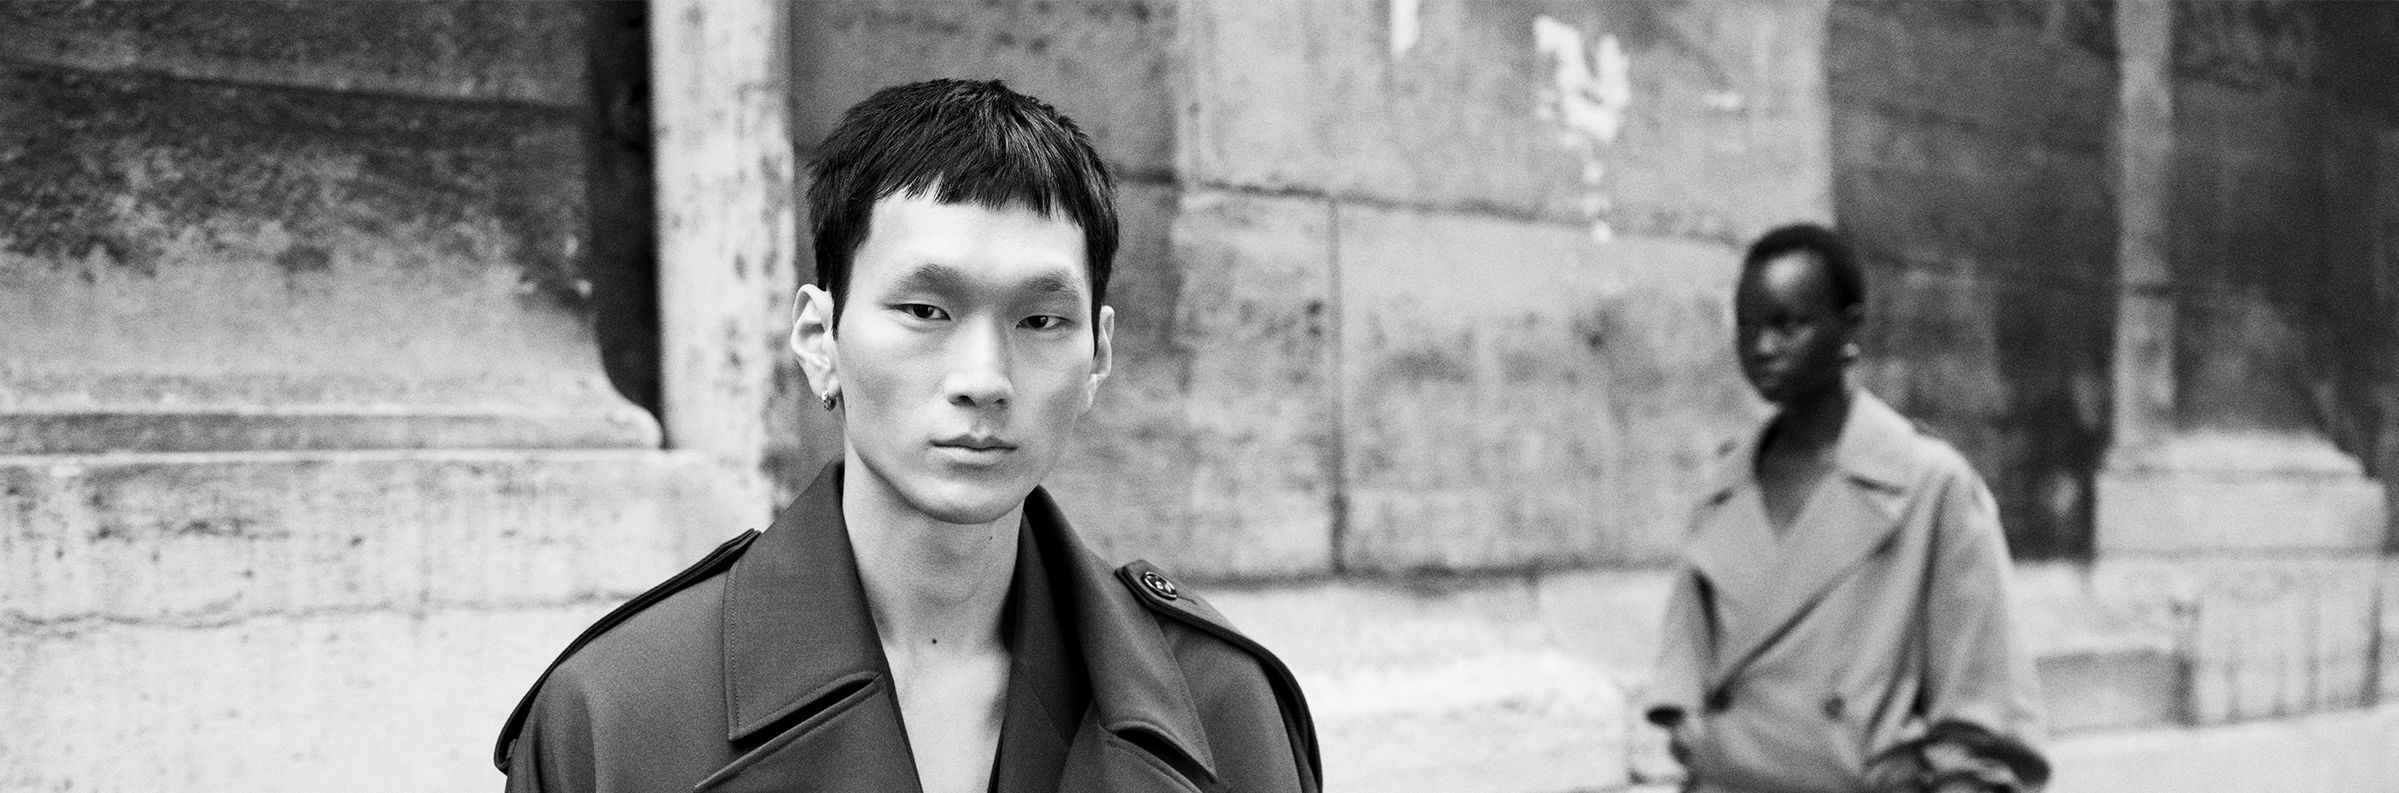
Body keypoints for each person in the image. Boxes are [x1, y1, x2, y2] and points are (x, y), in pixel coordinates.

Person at [492, 79, 1320, 793]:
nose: (984, 377)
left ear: (1097, 354)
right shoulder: (618, 711)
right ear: (819, 337)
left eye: (1040, 319)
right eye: (926, 310)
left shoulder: (1218, 704)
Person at [1644, 224, 2048, 793]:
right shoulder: (1722, 489)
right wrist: (1693, 731)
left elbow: (1984, 709)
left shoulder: (1929, 484)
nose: (1762, 348)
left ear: (1849, 327)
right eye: (1747, 327)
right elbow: (1685, 664)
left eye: (1788, 325)